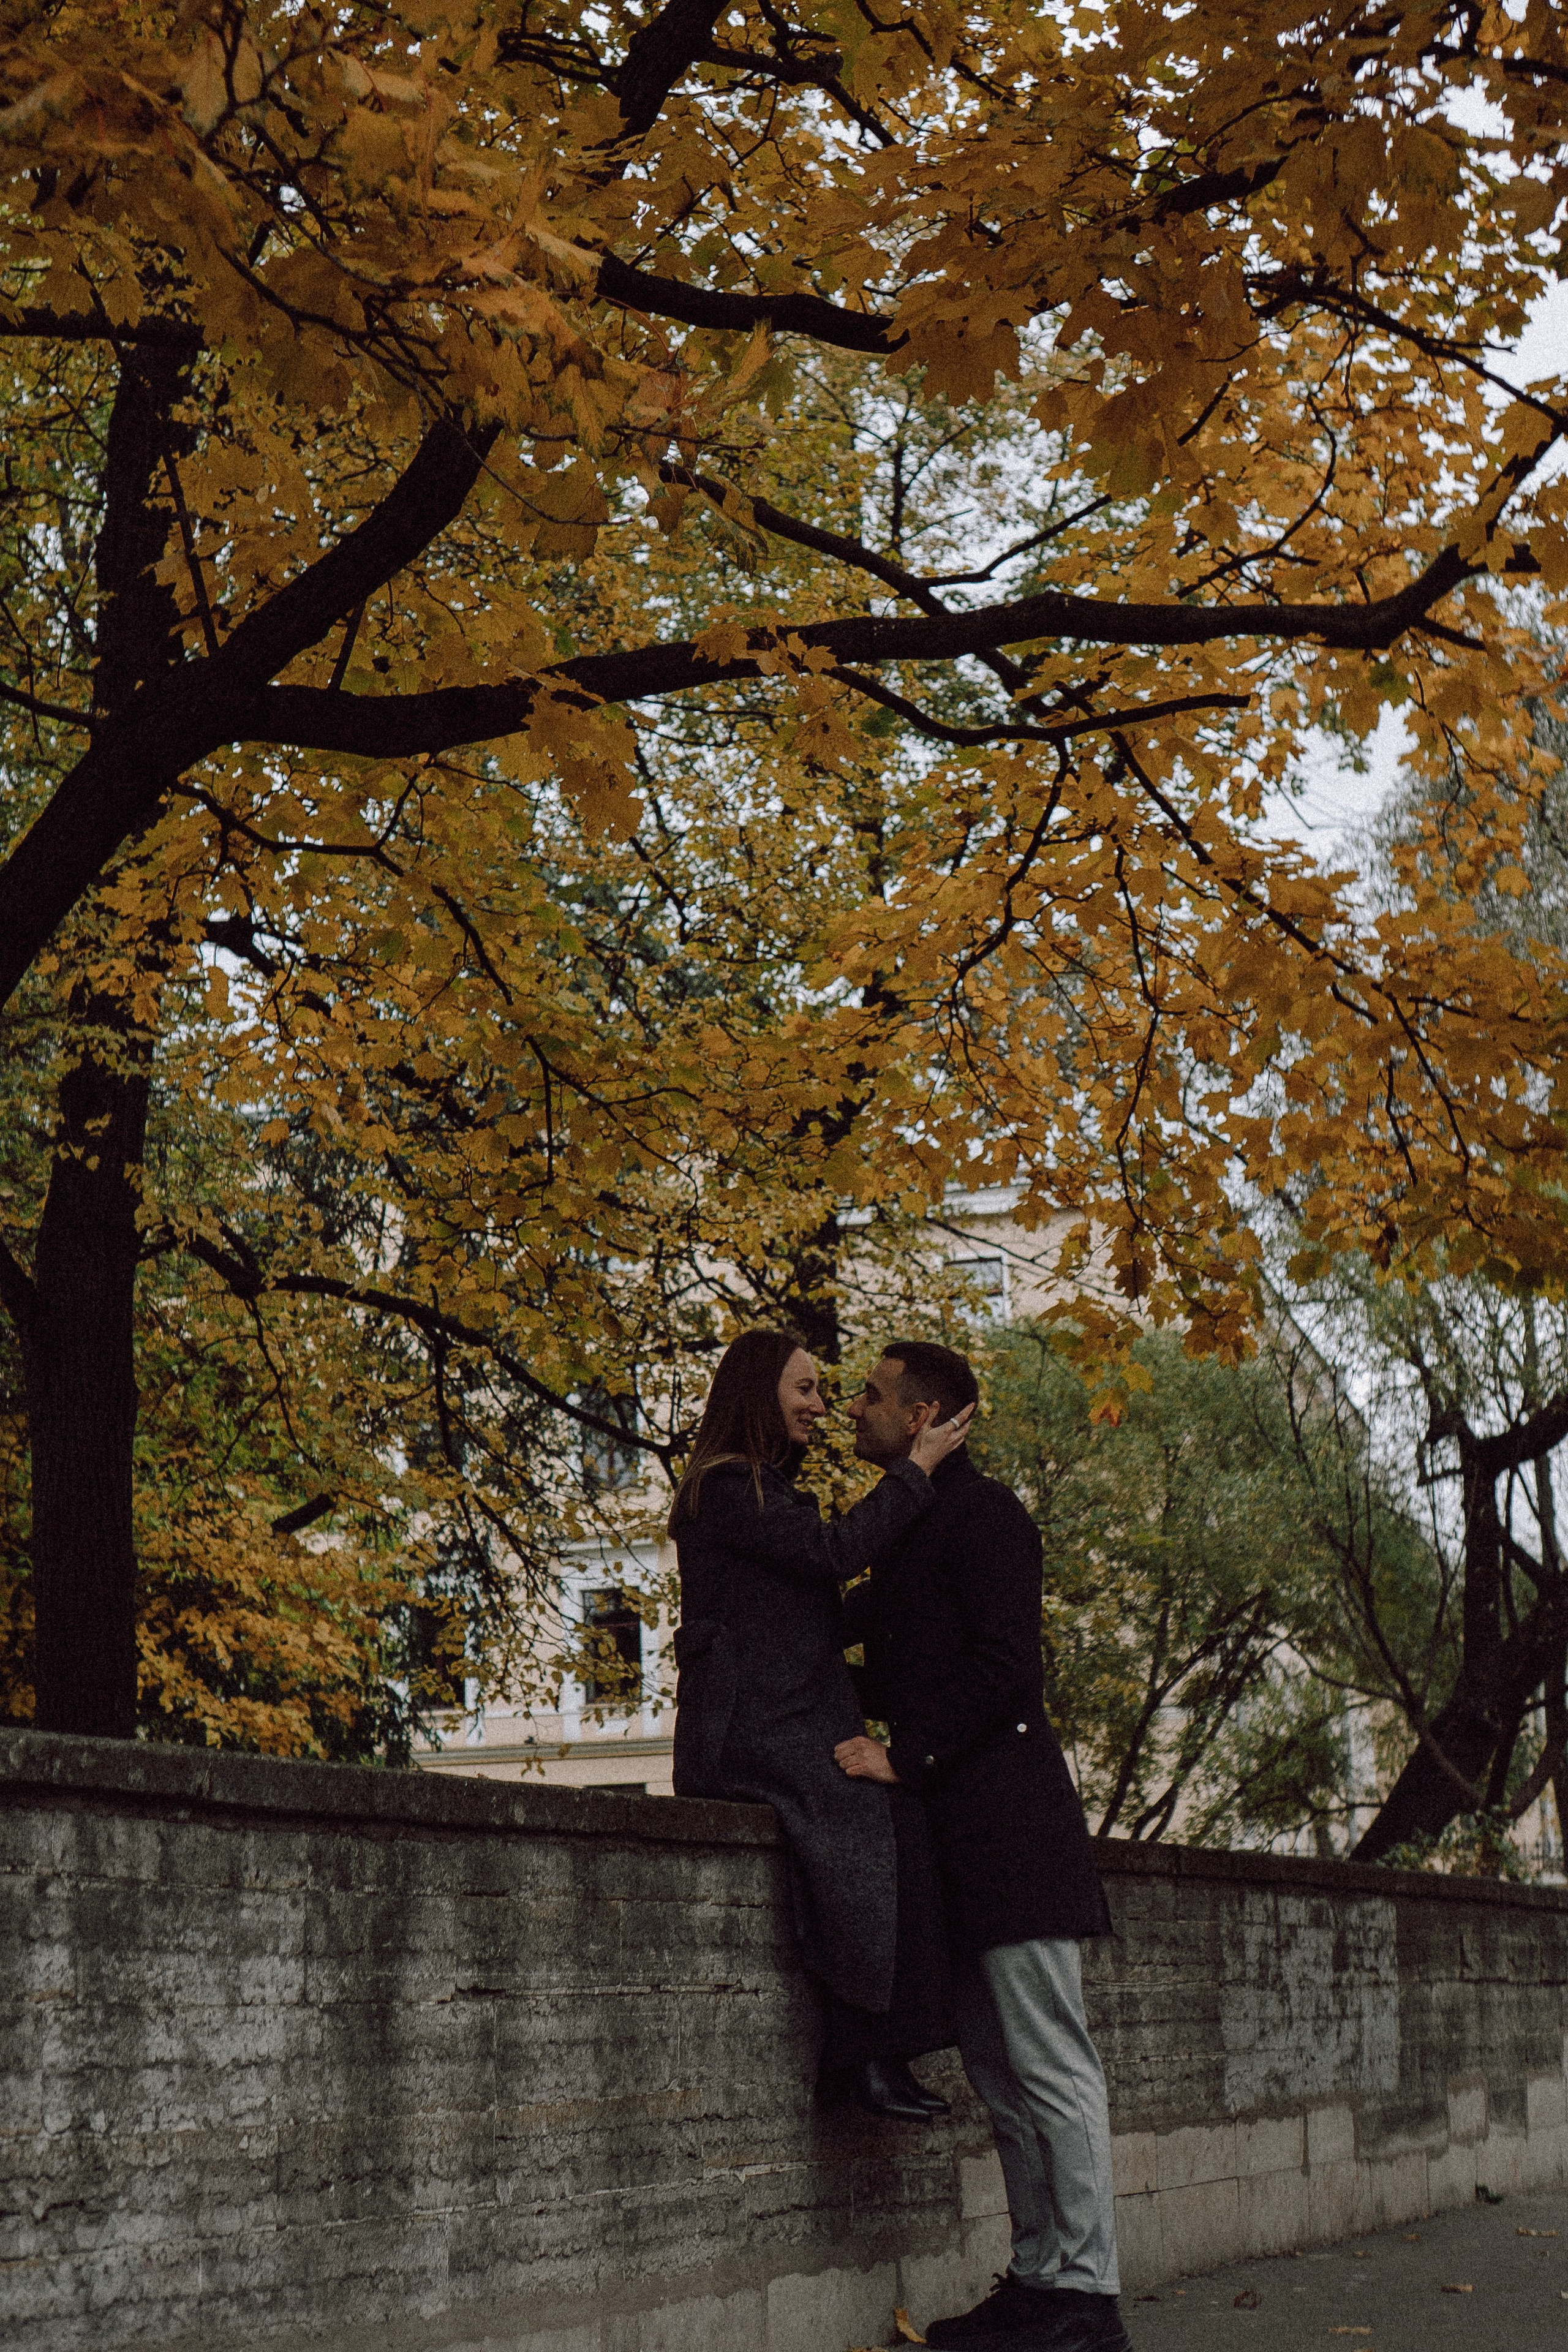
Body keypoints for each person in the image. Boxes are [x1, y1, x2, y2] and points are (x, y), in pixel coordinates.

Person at [835, 1340, 1130, 2352]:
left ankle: (1088, 2296)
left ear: (921, 1415)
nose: (853, 1409)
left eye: (871, 1396)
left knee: (1052, 2065)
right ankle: (1043, 2279)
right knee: (1003, 2077)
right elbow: (888, 1654)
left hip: (1014, 1836)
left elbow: (1009, 1670)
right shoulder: (910, 1529)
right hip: (958, 1846)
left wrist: (901, 1753)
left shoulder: (988, 1514)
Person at [669, 1328, 973, 2118]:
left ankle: (876, 2054)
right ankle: (859, 2061)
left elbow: (820, 1617)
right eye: (804, 1389)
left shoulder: (764, 1491)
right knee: (857, 1815)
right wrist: (916, 1473)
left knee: (898, 1813)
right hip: (747, 1729)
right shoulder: (726, 1487)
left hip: (784, 1715)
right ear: (757, 1394)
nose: (820, 1406)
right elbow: (837, 1554)